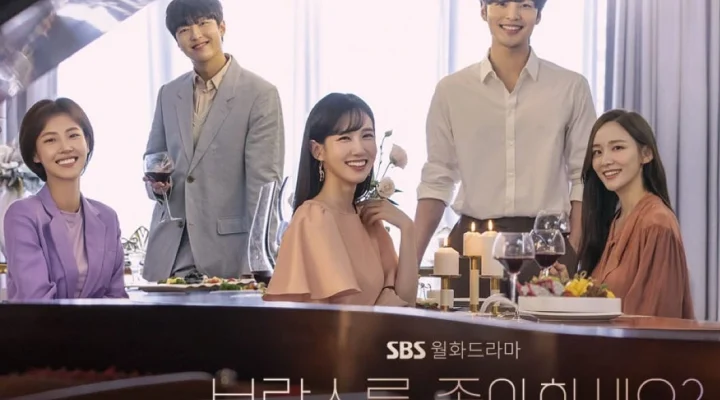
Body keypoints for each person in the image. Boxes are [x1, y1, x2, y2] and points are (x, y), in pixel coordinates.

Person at [414, 0, 597, 296]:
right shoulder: (451, 91)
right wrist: (409, 262)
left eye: (524, 5)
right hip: (472, 247)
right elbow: (438, 178)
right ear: (483, 10)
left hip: (546, 248)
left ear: (538, 15)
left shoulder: (570, 87)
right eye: (501, 3)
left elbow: (583, 177)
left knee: (545, 329)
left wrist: (573, 249)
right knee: (469, 327)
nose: (512, 15)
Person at [142, 0, 285, 281]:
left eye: (203, 23)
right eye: (184, 29)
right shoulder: (168, 94)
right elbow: (154, 158)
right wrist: (157, 188)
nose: (195, 34)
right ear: (177, 42)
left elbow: (264, 187)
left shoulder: (260, 94)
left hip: (230, 254)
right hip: (172, 253)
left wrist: (259, 261)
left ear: (222, 27)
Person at [264, 93, 417, 306]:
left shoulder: (368, 218)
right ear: (318, 150)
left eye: (367, 135)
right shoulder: (313, 218)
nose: (359, 149)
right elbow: (322, 318)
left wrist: (407, 228)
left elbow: (406, 303)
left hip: (381, 329)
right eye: (345, 138)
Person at [551, 110, 694, 319]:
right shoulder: (614, 221)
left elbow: (656, 320)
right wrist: (568, 287)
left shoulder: (656, 224)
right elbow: (609, 304)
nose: (605, 160)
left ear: (646, 154)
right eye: (597, 152)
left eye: (617, 148)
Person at [4, 98, 127, 300]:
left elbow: (117, 300)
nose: (65, 147)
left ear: (87, 143)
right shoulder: (22, 216)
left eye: (73, 135)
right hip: (37, 323)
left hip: (103, 323)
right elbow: (37, 301)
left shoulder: (108, 218)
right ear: (35, 155)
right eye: (50, 140)